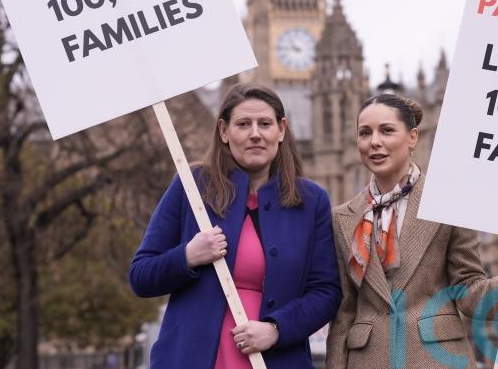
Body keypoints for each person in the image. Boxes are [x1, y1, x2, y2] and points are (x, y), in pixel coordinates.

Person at [129, 83, 342, 368]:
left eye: (264, 124)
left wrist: (276, 329)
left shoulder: (311, 200)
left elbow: (326, 292)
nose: (255, 134)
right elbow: (141, 275)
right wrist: (188, 256)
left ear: (281, 130)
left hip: (276, 359)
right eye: (243, 124)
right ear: (224, 131)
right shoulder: (192, 185)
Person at [325, 93, 498, 368]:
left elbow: (466, 288)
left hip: (436, 359)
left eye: (387, 130)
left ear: (413, 137)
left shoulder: (448, 203)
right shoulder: (343, 217)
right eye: (364, 133)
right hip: (368, 360)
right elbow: (345, 312)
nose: (374, 142)